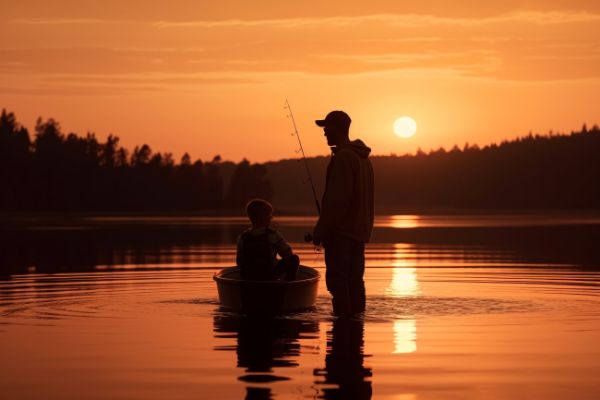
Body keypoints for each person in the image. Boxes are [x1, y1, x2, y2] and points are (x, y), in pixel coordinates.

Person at [312, 110, 374, 317]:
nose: (324, 133)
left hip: (341, 234)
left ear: (337, 129)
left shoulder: (345, 158)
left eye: (326, 128)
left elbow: (337, 201)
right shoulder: (362, 158)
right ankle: (357, 327)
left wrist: (320, 231)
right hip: (359, 232)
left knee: (338, 283)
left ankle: (343, 325)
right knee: (355, 281)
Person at [236, 198, 299, 281]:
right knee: (294, 259)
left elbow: (239, 262)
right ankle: (288, 286)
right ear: (263, 217)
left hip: (248, 277)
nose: (271, 217)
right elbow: (288, 254)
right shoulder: (273, 235)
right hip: (268, 276)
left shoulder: (242, 237)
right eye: (269, 215)